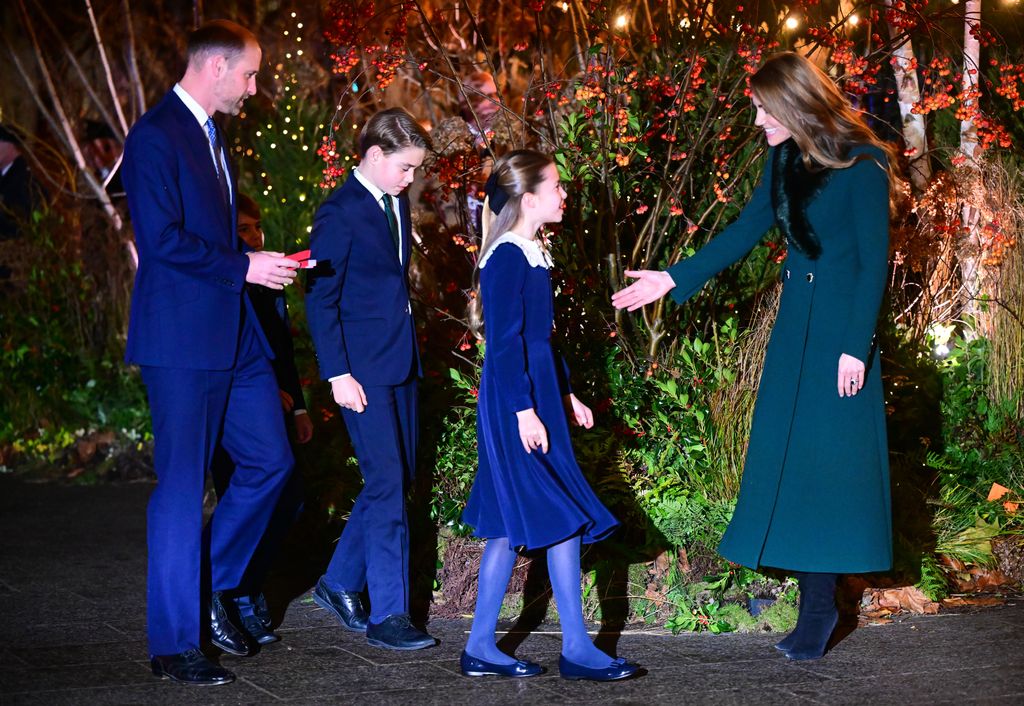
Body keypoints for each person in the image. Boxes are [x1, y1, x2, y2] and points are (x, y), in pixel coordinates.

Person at [612, 51, 898, 661]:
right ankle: (812, 605)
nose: (758, 122)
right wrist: (672, 278)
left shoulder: (862, 164)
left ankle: (821, 609)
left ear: (794, 106)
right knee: (792, 462)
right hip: (796, 328)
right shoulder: (783, 158)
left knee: (830, 470)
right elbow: (745, 231)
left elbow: (875, 263)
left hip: (840, 339)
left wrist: (855, 348)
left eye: (764, 110)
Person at [121, 20, 300, 685]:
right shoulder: (155, 135)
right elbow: (161, 241)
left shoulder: (211, 134)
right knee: (180, 490)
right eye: (250, 74)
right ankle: (175, 644)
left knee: (271, 461)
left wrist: (252, 267)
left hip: (236, 338)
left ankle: (213, 583)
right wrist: (244, 267)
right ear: (216, 67)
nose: (255, 88)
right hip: (181, 340)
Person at [460, 149, 638, 681]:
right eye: (557, 186)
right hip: (517, 401)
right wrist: (524, 411)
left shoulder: (530, 251)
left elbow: (538, 341)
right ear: (529, 198)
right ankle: (578, 649)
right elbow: (506, 345)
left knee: (502, 525)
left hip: (537, 395)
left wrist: (563, 394)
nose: (565, 194)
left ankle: (479, 648)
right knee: (559, 514)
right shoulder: (508, 256)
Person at [305, 107, 436, 651]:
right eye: (405, 169)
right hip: (360, 371)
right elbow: (319, 299)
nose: (411, 180)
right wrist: (337, 374)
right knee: (386, 484)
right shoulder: (338, 213)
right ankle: (389, 615)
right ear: (375, 155)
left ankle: (337, 583)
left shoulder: (394, 200)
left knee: (394, 477)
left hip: (399, 361)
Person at [209, 193, 314, 646]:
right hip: (239, 403)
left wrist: (302, 404)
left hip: (278, 403)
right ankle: (224, 594)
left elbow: (282, 346)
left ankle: (243, 589)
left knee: (288, 498)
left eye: (256, 228)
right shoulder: (229, 282)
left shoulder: (269, 279)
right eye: (242, 230)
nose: (252, 236)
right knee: (245, 490)